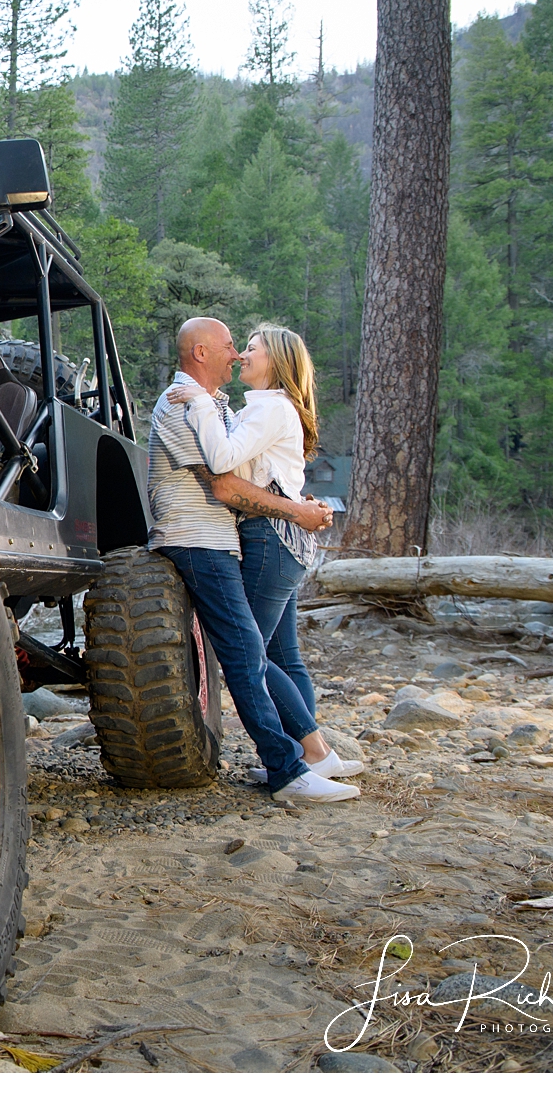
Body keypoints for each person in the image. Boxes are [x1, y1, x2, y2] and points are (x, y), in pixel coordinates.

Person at [145, 317, 356, 805]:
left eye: (246, 347)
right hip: (198, 540)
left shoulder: (213, 405)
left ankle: (304, 757)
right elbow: (226, 483)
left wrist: (301, 504)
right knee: (247, 654)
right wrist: (299, 511)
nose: (237, 353)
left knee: (255, 653)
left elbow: (251, 470)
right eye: (230, 346)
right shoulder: (181, 405)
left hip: (221, 540)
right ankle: (290, 768)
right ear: (200, 352)